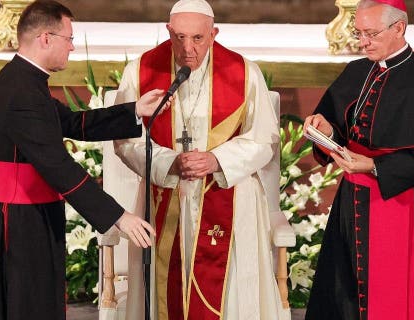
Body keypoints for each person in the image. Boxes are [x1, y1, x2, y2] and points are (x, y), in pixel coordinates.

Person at [0, 1, 168, 319]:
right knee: (27, 307)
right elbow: (58, 165)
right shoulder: (23, 93)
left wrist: (134, 111)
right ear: (46, 38)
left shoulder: (26, 81)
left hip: (28, 213)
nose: (72, 46)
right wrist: (118, 216)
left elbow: (73, 124)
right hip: (18, 220)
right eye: (68, 38)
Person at [112, 0, 286, 319]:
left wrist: (217, 160)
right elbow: (125, 141)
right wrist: (170, 163)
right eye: (178, 37)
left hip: (228, 196)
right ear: (167, 31)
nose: (186, 48)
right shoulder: (141, 70)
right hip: (164, 194)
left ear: (214, 33)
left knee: (230, 290)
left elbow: (265, 138)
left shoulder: (244, 73)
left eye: (197, 38)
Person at [303, 0, 414, 319]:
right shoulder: (356, 72)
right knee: (345, 294)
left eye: (371, 34)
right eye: (359, 33)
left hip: (404, 207)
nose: (363, 42)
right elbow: (341, 128)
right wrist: (326, 129)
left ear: (399, 28)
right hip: (351, 203)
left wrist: (373, 166)